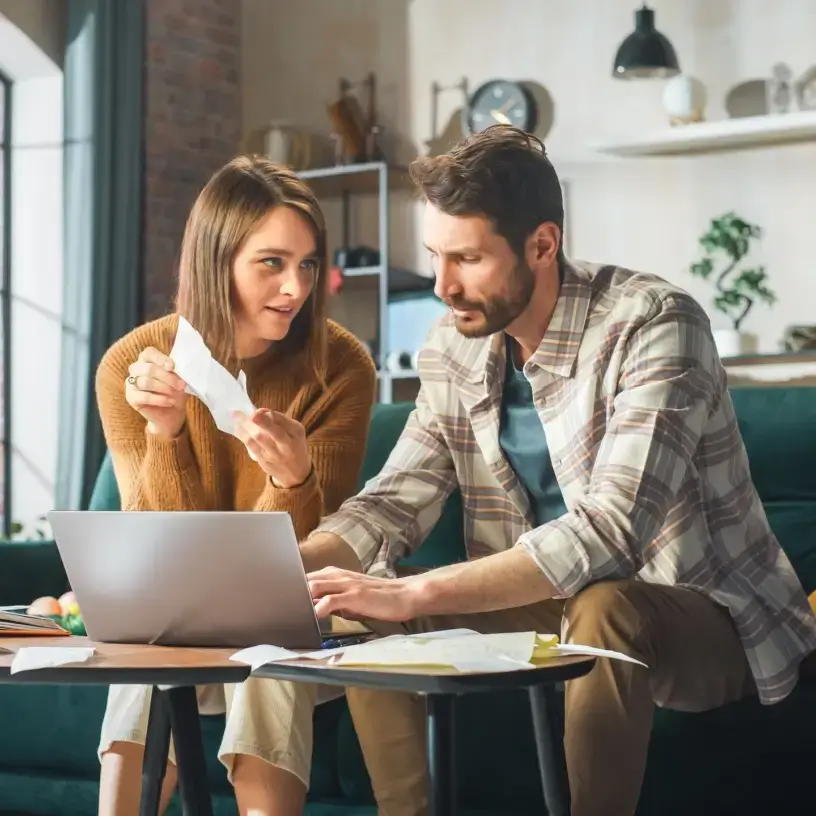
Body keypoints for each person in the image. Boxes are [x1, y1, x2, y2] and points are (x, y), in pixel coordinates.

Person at [298, 126, 816, 816]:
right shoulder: (455, 345)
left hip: (698, 610)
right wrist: (284, 569)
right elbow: (392, 503)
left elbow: (611, 533)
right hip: (549, 605)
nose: (443, 286)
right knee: (360, 606)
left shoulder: (655, 324)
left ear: (542, 244)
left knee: (604, 606)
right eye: (435, 257)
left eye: (469, 258)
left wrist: (417, 596)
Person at [94, 155, 376, 816]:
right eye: (272, 263)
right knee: (144, 646)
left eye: (307, 264)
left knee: (268, 628)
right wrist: (165, 433)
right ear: (217, 261)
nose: (295, 288)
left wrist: (294, 478)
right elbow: (157, 546)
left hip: (299, 614)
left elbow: (303, 552)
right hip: (178, 614)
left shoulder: (342, 367)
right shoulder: (131, 366)